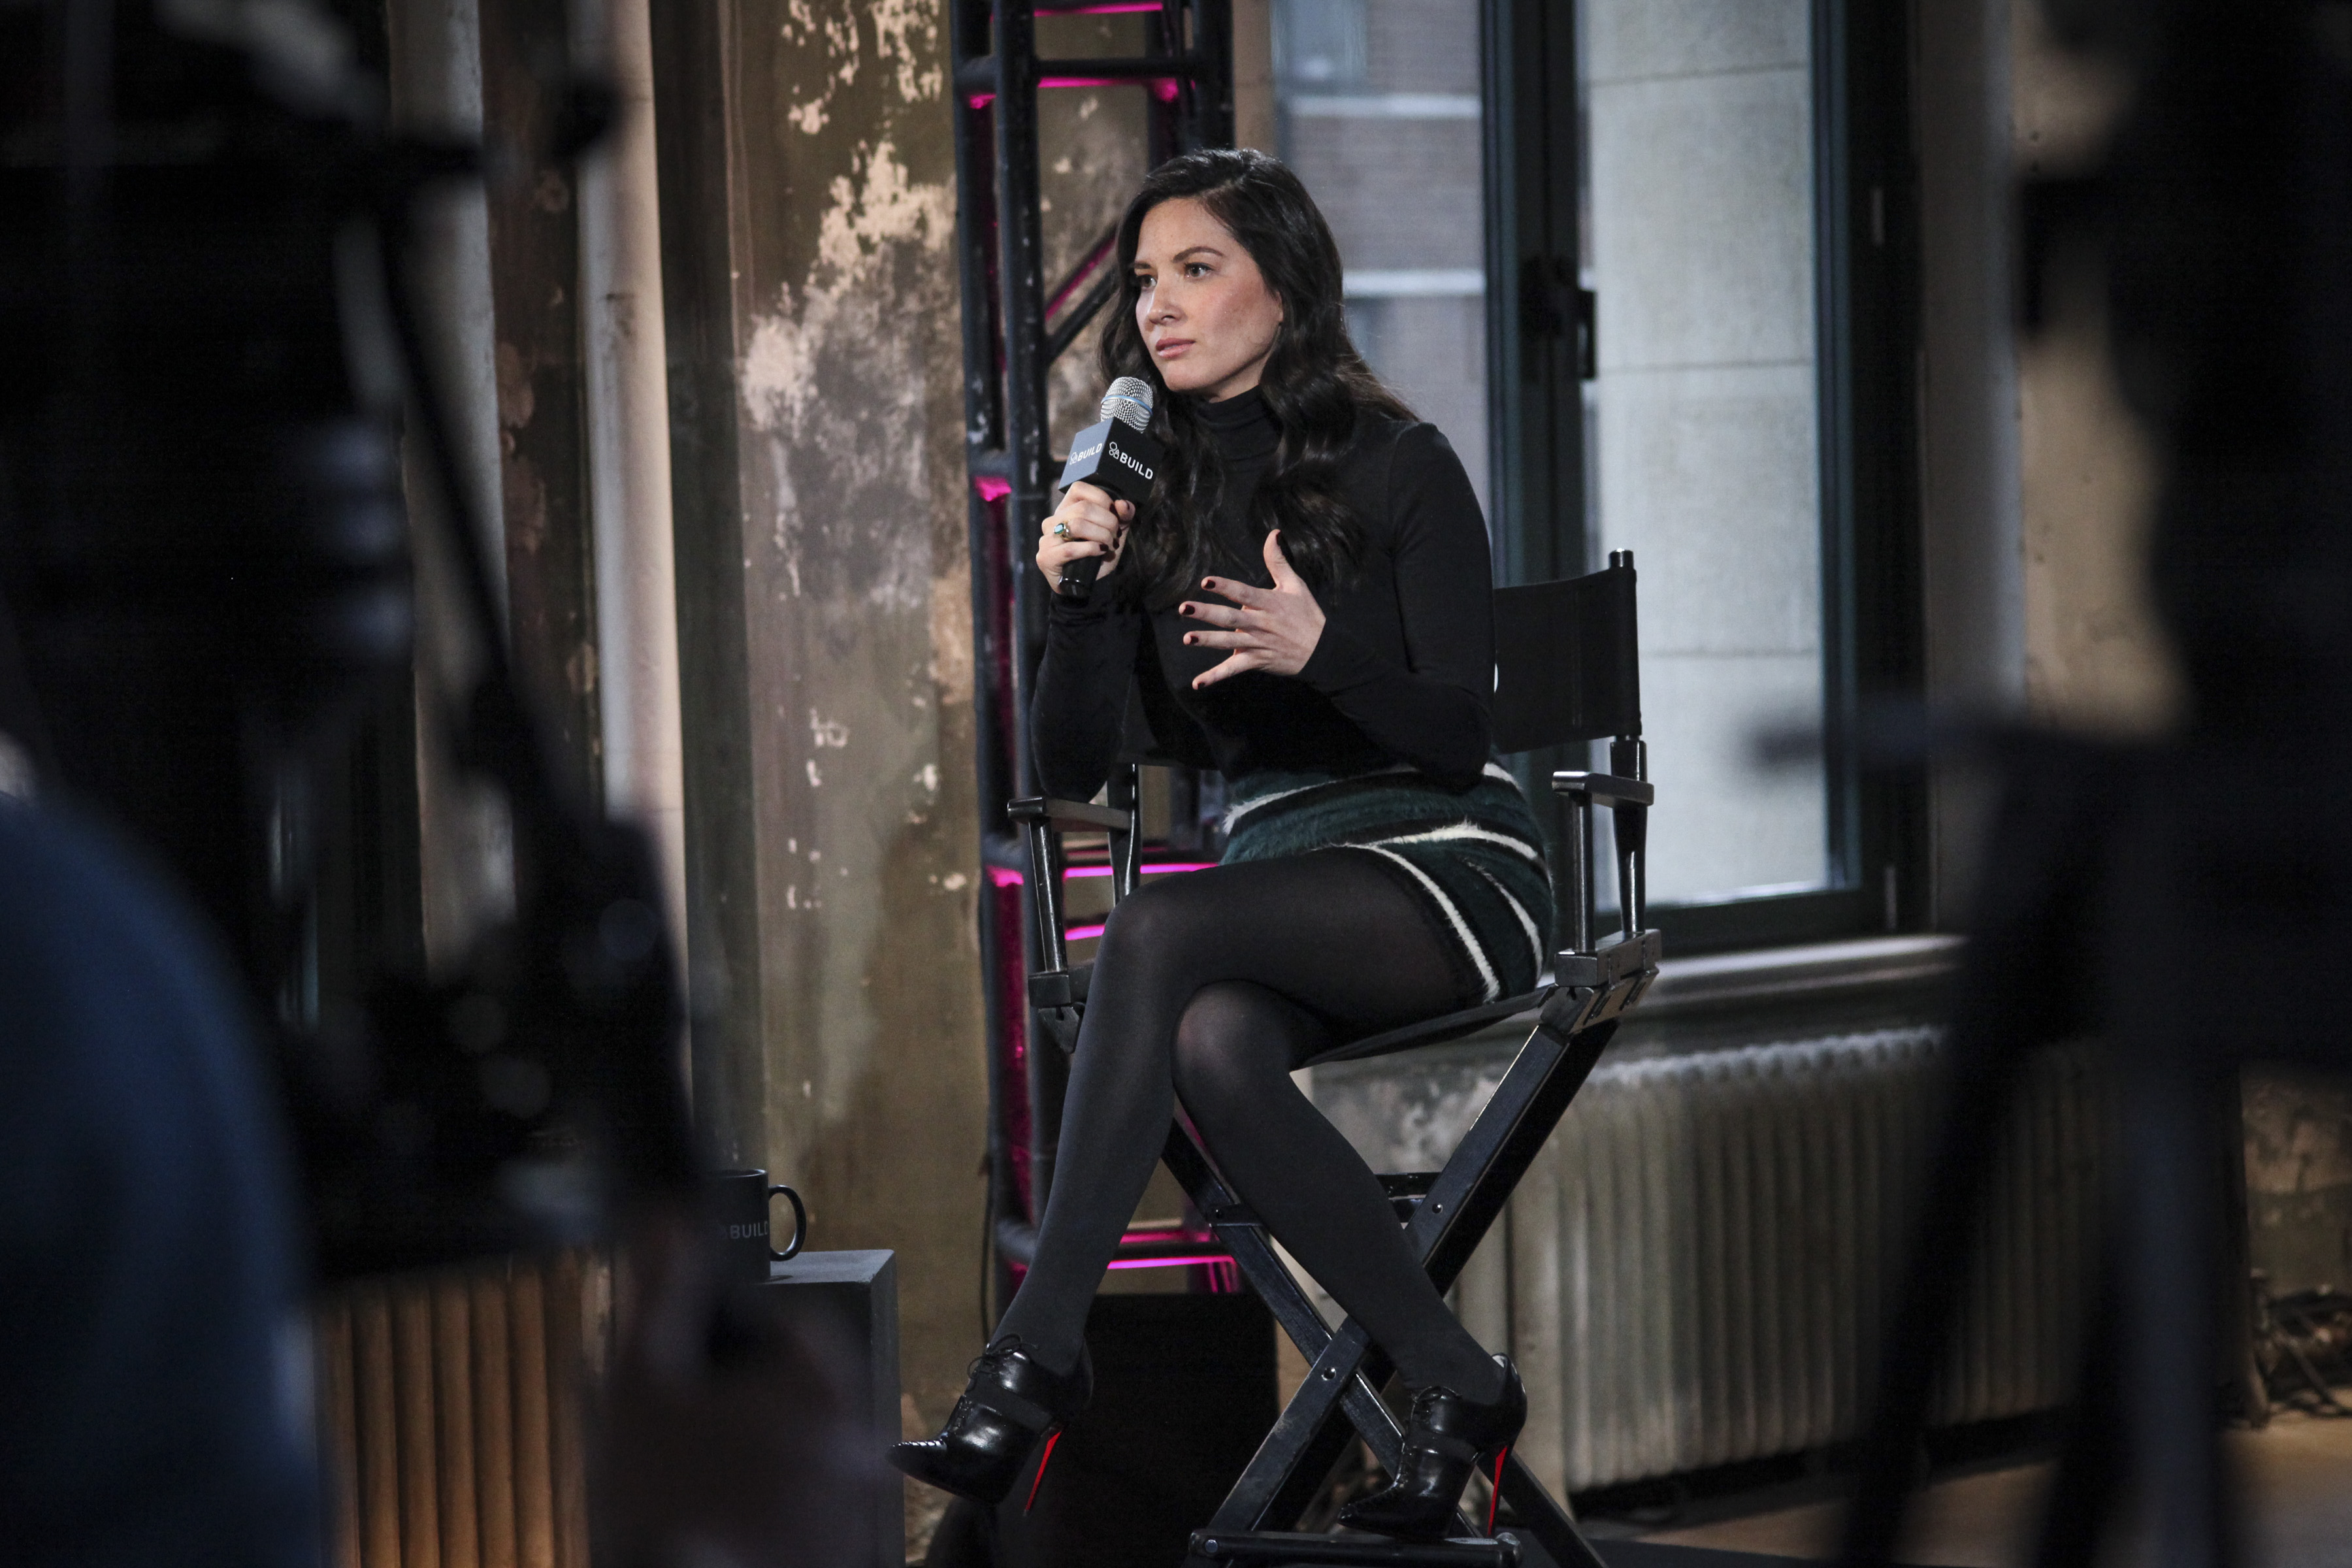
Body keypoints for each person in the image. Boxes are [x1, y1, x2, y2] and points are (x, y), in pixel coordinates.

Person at [891, 148, 1549, 1541]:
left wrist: (1325, 651)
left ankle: (1035, 1358)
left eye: (1198, 270)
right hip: (1280, 879)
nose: (1159, 307)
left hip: (1449, 859)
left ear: (1286, 290)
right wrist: (1077, 601)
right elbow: (1074, 772)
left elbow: (1455, 732)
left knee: (1150, 928)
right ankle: (1459, 1382)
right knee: (1209, 1044)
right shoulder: (1152, 498)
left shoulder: (1402, 461)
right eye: (1144, 279)